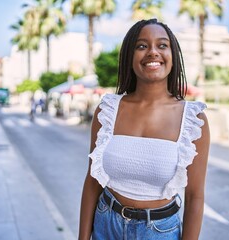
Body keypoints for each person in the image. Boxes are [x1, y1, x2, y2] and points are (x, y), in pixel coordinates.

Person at [79, 18, 210, 240]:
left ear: (173, 55)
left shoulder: (194, 120)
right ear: (130, 56)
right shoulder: (107, 111)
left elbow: (195, 196)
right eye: (142, 46)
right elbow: (93, 181)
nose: (152, 52)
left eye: (162, 45)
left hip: (159, 232)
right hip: (105, 224)